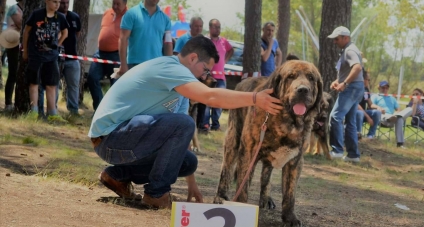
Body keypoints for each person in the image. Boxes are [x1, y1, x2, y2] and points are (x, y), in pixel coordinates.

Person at [89, 36, 283, 209]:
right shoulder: (170, 68)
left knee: (187, 162)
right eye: (205, 70)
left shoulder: (181, 87)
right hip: (109, 139)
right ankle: (156, 194)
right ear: (192, 58)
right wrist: (255, 98)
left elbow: (181, 139)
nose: (205, 76)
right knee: (185, 124)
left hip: (123, 139)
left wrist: (192, 185)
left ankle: (117, 175)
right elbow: (210, 97)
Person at [22, 0, 68, 122]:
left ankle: (52, 112)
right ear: (46, 0)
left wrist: (57, 45)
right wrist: (25, 50)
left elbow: (65, 33)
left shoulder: (60, 17)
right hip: (35, 54)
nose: (57, 5)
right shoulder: (37, 14)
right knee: (34, 83)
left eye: (59, 2)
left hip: (51, 57)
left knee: (52, 84)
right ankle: (34, 111)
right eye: (54, 1)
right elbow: (27, 31)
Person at [117, 0, 172, 76]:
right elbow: (123, 39)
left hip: (156, 65)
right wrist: (123, 64)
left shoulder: (165, 19)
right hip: (134, 64)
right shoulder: (131, 14)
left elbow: (167, 43)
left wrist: (169, 66)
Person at [328, 26, 364, 162]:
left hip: (352, 87)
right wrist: (339, 81)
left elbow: (357, 67)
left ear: (346, 38)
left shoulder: (349, 50)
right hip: (356, 86)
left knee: (335, 117)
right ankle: (353, 155)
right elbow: (353, 70)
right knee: (350, 121)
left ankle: (336, 150)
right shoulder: (349, 49)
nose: (334, 42)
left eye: (336, 39)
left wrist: (345, 84)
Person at [88, 0, 128, 111]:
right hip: (100, 53)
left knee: (115, 85)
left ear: (125, 4)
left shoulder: (129, 16)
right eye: (113, 3)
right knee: (92, 78)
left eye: (118, 4)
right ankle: (100, 109)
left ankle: (113, 112)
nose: (115, 6)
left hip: (117, 56)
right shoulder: (107, 12)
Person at [202, 18, 233, 131]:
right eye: (215, 27)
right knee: (207, 101)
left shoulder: (223, 41)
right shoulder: (205, 40)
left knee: (219, 101)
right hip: (207, 76)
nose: (218, 29)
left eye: (219, 27)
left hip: (220, 77)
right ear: (210, 28)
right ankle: (205, 124)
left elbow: (231, 50)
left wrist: (225, 60)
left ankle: (216, 124)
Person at [3, 0, 25, 112]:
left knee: (18, 74)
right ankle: (8, 104)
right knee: (13, 73)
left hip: (21, 43)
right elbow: (21, 24)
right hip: (13, 43)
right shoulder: (14, 8)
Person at [371, 80, 410, 148]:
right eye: (383, 88)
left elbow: (398, 109)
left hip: (393, 117)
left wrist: (396, 113)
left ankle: (400, 143)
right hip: (381, 117)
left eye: (386, 88)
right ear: (379, 88)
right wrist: (378, 107)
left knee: (405, 113)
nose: (385, 90)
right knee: (399, 119)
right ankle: (400, 143)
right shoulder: (375, 96)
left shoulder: (392, 98)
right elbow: (370, 105)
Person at [354, 71, 381, 140]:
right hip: (355, 113)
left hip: (364, 113)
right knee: (360, 113)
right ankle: (358, 135)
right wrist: (368, 117)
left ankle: (370, 135)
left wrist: (378, 107)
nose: (368, 81)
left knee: (377, 112)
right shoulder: (356, 88)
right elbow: (356, 104)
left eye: (369, 80)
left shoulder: (365, 90)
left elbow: (370, 104)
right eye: (367, 79)